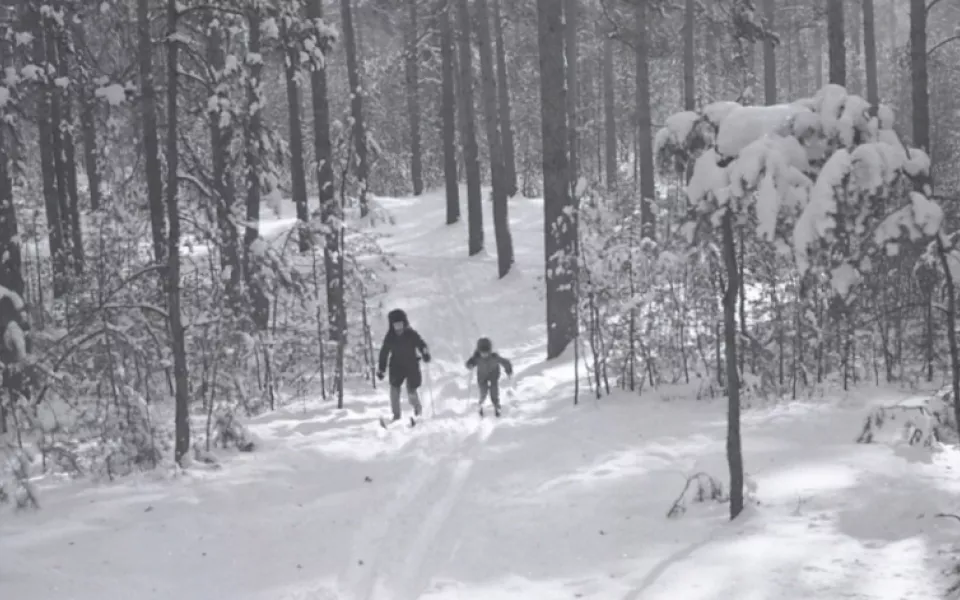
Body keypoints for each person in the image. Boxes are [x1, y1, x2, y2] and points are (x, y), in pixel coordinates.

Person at [377, 309, 431, 423]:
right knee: (394, 389)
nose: (399, 328)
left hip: (411, 364)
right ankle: (396, 415)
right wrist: (381, 369)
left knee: (411, 390)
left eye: (400, 324)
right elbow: (384, 353)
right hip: (396, 366)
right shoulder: (390, 337)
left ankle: (417, 410)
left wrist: (425, 352)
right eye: (396, 325)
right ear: (392, 326)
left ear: (404, 323)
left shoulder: (411, 334)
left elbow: (421, 343)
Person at [465, 337, 513, 417]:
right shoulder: (477, 358)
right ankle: (481, 404)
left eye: (486, 352)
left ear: (490, 351)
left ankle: (496, 405)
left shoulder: (494, 357)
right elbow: (469, 363)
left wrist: (508, 370)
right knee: (483, 391)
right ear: (479, 352)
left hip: (493, 375)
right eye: (482, 353)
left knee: (494, 391)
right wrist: (469, 365)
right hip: (482, 377)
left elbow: (506, 362)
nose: (484, 354)